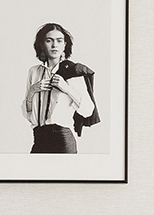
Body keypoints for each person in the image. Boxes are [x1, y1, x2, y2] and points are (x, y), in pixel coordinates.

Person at [21, 22, 98, 153]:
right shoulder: (34, 72)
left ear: (65, 45)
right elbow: (28, 115)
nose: (54, 45)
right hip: (39, 139)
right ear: (42, 44)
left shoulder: (72, 72)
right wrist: (32, 91)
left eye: (59, 40)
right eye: (49, 40)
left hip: (62, 140)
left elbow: (88, 110)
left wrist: (66, 88)